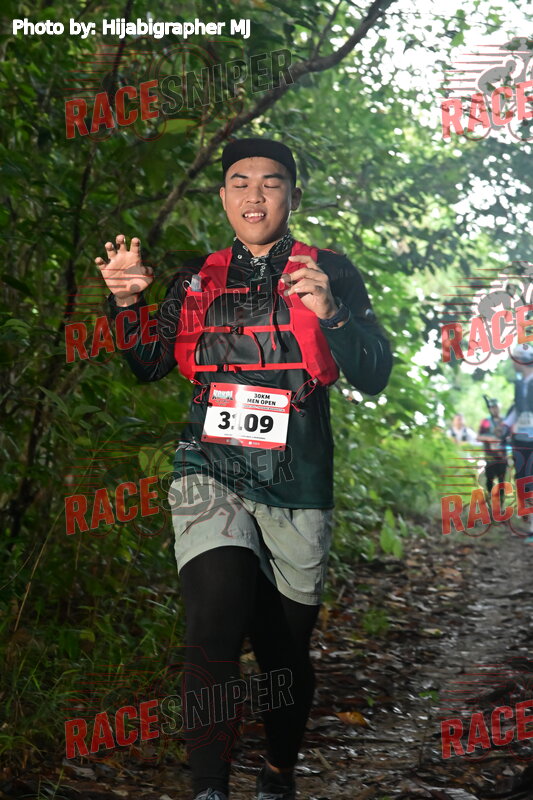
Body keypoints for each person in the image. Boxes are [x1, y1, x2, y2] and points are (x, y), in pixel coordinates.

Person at [96, 137, 393, 800]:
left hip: (297, 476)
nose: (254, 195)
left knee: (283, 655)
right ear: (223, 196)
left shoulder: (331, 270)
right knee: (213, 621)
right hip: (209, 466)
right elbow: (148, 363)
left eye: (270, 182)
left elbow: (374, 372)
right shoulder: (194, 279)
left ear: (293, 195)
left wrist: (334, 313)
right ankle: (209, 788)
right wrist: (126, 305)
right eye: (239, 182)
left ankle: (279, 770)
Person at [503, 343, 533, 538]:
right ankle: (529, 520)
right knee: (522, 478)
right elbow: (517, 409)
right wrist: (505, 425)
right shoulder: (520, 384)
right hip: (521, 438)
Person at [477, 399, 508, 508]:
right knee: (489, 479)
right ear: (490, 409)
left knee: (502, 481)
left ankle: (501, 503)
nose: (495, 410)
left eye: (496, 407)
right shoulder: (486, 421)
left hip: (502, 456)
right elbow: (479, 437)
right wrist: (490, 438)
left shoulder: (505, 421)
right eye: (492, 408)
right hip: (490, 456)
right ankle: (491, 502)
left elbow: (510, 436)